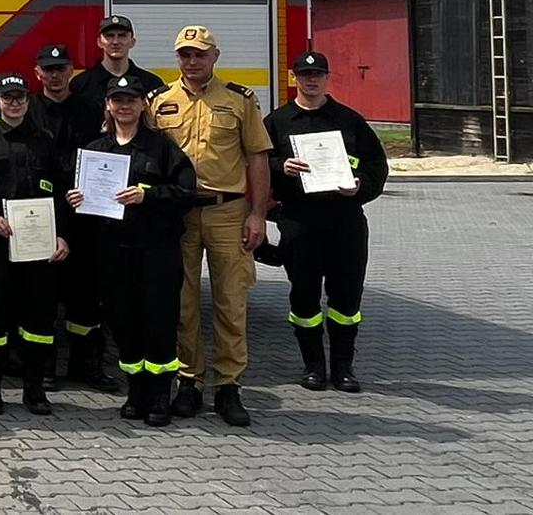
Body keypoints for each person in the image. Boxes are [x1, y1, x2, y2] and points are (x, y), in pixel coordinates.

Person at [148, 25, 271, 427]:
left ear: (215, 56)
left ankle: (229, 387)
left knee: (230, 302)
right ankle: (190, 382)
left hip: (228, 212)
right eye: (185, 54)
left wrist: (258, 214)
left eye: (200, 54)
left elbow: (257, 158)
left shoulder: (239, 100)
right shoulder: (159, 102)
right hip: (177, 216)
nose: (192, 61)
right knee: (182, 302)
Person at [66, 75, 197, 427]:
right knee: (123, 322)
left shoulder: (162, 148)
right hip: (112, 251)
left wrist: (147, 195)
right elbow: (85, 208)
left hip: (156, 250)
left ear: (143, 105)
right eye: (117, 100)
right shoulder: (96, 151)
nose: (124, 106)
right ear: (108, 105)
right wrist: (75, 200)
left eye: (131, 100)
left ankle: (159, 395)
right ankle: (135, 391)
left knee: (158, 320)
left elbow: (186, 192)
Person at [265, 52, 389, 394]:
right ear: (294, 78)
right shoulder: (277, 121)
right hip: (299, 221)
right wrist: (280, 168)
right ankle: (313, 367)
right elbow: (257, 164)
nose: (311, 80)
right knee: (303, 296)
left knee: (346, 298)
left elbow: (377, 165)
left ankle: (343, 367)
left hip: (344, 220)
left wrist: (360, 185)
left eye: (317, 74)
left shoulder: (349, 120)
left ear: (327, 77)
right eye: (305, 74)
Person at [0, 74, 70, 416]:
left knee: (39, 320)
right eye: (8, 97)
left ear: (28, 100)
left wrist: (63, 235)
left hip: (39, 249)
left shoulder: (46, 141)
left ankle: (34, 389)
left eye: (20, 97)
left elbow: (62, 193)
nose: (14, 103)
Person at [29, 43, 116, 393]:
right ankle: (44, 367)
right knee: (42, 295)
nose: (54, 75)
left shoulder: (91, 110)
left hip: (85, 214)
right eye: (48, 69)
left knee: (85, 295)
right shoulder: (28, 109)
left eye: (61, 68)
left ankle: (86, 365)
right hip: (41, 211)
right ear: (38, 73)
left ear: (71, 72)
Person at [70, 15, 165, 111]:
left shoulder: (152, 84)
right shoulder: (80, 85)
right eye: (109, 36)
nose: (115, 42)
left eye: (122, 35)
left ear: (132, 42)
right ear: (99, 42)